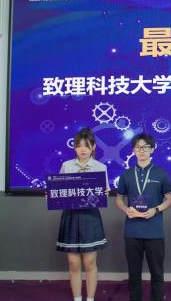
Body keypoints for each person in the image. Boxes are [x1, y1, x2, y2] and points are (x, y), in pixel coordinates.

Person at [116, 132, 171, 301]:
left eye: (146, 147)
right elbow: (119, 199)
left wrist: (156, 209)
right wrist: (126, 210)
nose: (142, 151)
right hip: (132, 230)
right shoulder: (126, 174)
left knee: (157, 273)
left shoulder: (161, 174)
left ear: (152, 149)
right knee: (134, 273)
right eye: (138, 147)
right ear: (133, 150)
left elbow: (169, 199)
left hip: (154, 230)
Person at [56, 128, 109, 301]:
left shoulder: (101, 167)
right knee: (73, 263)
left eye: (86, 145)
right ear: (74, 148)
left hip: (90, 217)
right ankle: (77, 298)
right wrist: (52, 194)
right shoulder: (67, 166)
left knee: (90, 262)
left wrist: (104, 193)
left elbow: (103, 193)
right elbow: (59, 191)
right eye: (79, 146)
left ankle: (90, 299)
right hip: (70, 216)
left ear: (93, 147)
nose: (82, 149)